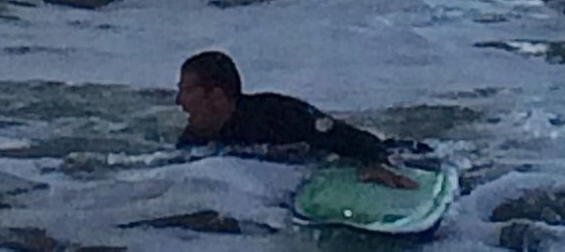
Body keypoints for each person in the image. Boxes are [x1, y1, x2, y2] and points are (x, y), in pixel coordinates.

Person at [175, 50, 421, 189]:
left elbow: (346, 136)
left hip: (396, 155)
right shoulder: (194, 140)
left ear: (216, 96)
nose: (179, 101)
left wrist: (375, 161)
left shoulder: (277, 114)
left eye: (186, 91)